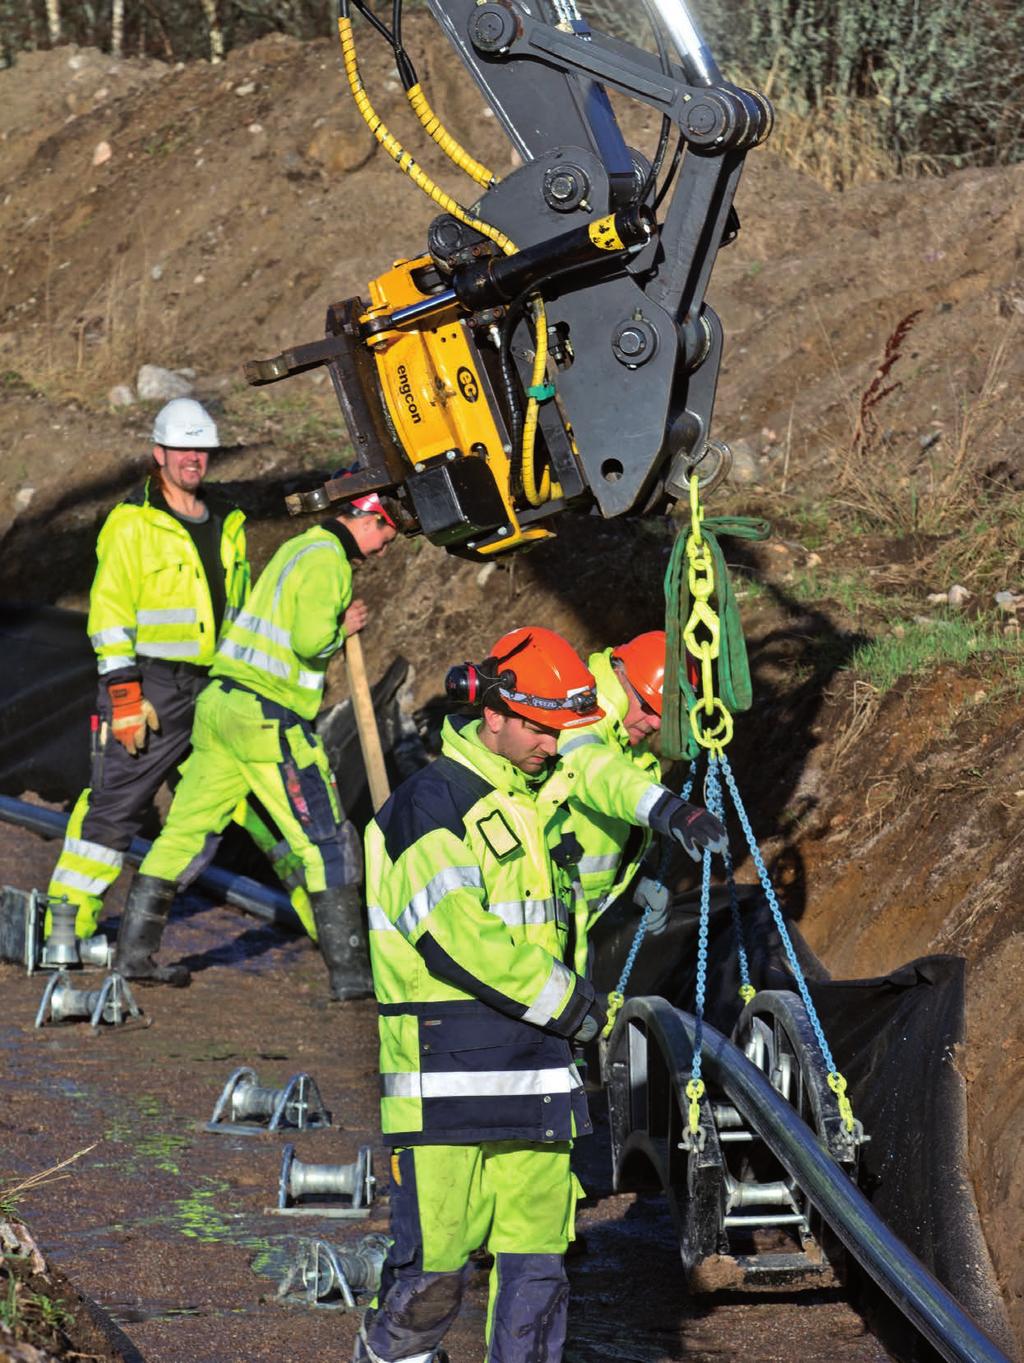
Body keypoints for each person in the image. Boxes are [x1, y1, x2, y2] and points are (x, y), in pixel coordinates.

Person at [357, 626, 725, 1363]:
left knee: (536, 1274)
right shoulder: (427, 807)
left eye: (560, 730)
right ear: (492, 711)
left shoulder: (534, 809)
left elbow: (560, 911)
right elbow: (459, 943)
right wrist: (579, 1007)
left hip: (538, 1078)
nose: (553, 745)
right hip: (445, 1081)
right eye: (539, 727)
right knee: (433, 1276)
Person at [112, 490, 398, 993]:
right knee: (326, 843)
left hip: (220, 705)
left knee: (183, 834)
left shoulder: (298, 547)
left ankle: (134, 956)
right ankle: (354, 976)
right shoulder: (330, 562)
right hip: (268, 719)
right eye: (386, 534)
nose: (385, 548)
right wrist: (342, 626)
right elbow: (310, 640)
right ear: (368, 518)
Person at [46, 398, 250, 945]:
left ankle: (143, 919)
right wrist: (124, 692)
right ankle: (68, 925)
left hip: (213, 686)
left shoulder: (228, 521)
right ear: (158, 453)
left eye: (201, 450)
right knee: (116, 807)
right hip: (152, 683)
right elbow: (109, 614)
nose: (193, 460)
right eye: (182, 448)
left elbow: (236, 610)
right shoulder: (132, 524)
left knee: (217, 803)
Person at [557, 630, 678, 971]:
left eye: (662, 714)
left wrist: (637, 882)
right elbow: (595, 773)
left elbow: (604, 832)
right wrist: (666, 809)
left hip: (576, 933)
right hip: (531, 937)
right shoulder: (575, 712)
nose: (655, 723)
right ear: (620, 674)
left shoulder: (628, 744)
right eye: (649, 707)